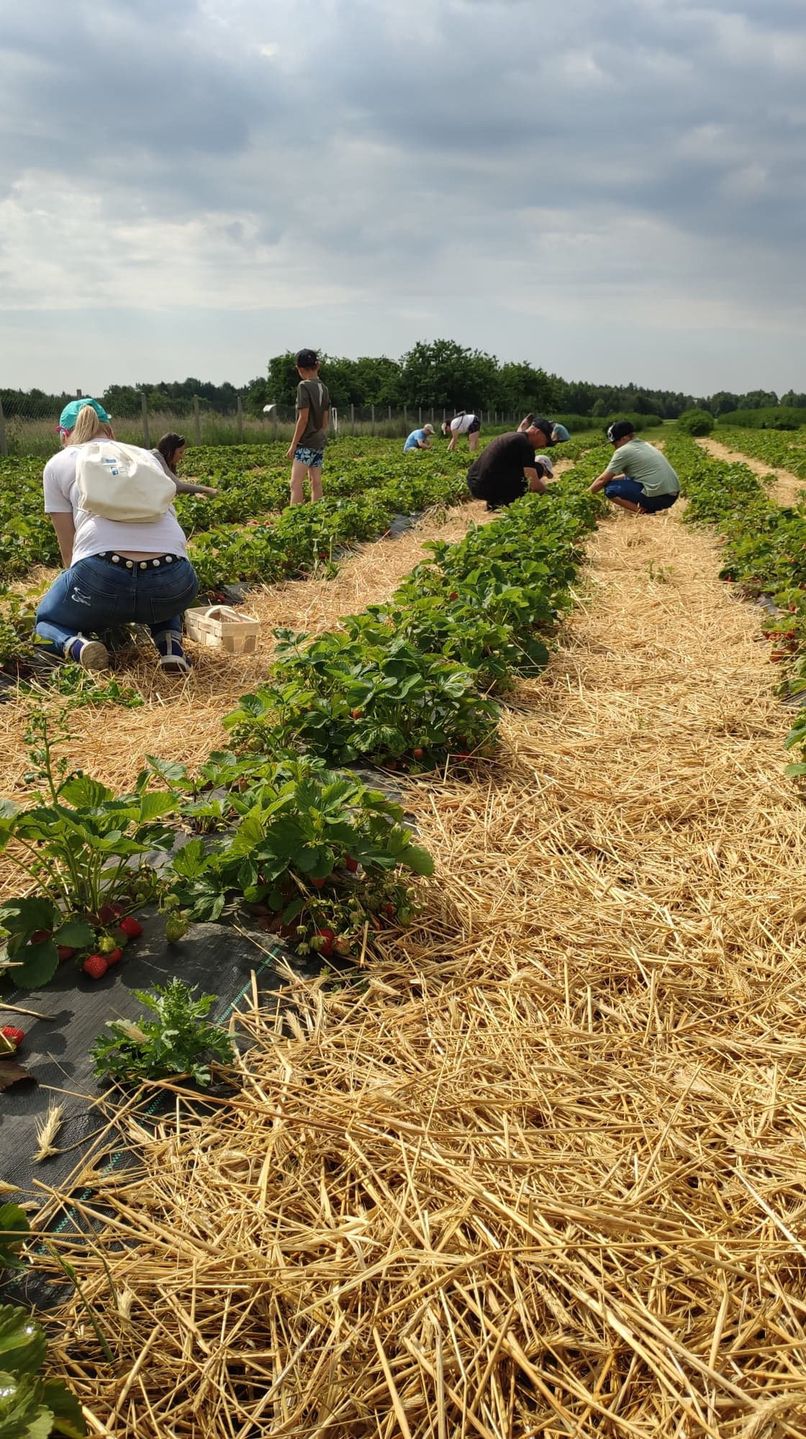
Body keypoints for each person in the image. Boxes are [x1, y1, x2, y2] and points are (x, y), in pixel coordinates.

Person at [34, 400, 204, 676]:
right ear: (110, 430)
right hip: (175, 579)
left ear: (63, 435)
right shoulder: (144, 457)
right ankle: (170, 646)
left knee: (46, 621)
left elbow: (69, 551)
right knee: (161, 594)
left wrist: (86, 601)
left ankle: (76, 645)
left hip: (101, 574)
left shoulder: (59, 463)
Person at [466, 420, 567, 510]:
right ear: (537, 432)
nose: (544, 446)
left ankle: (496, 502)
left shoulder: (514, 436)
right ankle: (505, 500)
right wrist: (551, 496)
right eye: (546, 441)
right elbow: (533, 484)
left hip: (475, 484)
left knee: (523, 470)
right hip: (486, 487)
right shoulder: (525, 444)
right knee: (538, 469)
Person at [589, 421, 680, 513]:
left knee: (610, 489)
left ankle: (643, 511)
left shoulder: (623, 451)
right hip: (671, 496)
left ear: (624, 438)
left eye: (615, 443)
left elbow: (602, 480)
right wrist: (610, 479)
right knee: (616, 481)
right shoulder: (644, 445)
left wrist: (586, 495)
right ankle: (647, 508)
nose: (614, 447)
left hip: (658, 498)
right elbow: (632, 476)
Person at [286, 349, 330, 505]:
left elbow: (303, 418)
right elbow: (325, 422)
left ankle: (295, 516)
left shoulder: (303, 386)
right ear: (317, 366)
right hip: (319, 442)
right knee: (316, 482)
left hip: (306, 444)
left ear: (299, 368)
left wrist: (293, 445)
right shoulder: (324, 388)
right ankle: (318, 512)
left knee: (295, 482)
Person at [153, 433, 218, 497]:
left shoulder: (158, 457)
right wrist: (207, 490)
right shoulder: (156, 457)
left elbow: (174, 487)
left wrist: (193, 493)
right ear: (169, 451)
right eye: (180, 452)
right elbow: (178, 486)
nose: (182, 456)